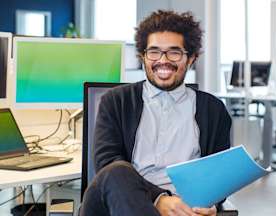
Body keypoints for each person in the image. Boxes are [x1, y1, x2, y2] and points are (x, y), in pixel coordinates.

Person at [80, 10, 232, 216]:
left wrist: (208, 203)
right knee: (117, 171)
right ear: (143, 56)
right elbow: (106, 162)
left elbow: (217, 176)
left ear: (191, 58)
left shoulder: (213, 110)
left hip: (184, 208)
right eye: (154, 52)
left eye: (174, 52)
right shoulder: (115, 101)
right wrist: (158, 199)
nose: (163, 60)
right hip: (119, 202)